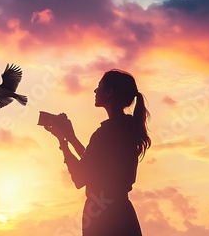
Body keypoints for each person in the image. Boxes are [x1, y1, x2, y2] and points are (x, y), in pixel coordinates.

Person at [44, 69, 150, 235]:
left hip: (103, 220)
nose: (95, 91)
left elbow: (80, 177)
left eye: (99, 87)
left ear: (109, 93)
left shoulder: (105, 133)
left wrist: (63, 143)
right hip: (123, 216)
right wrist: (71, 138)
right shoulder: (125, 129)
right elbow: (95, 163)